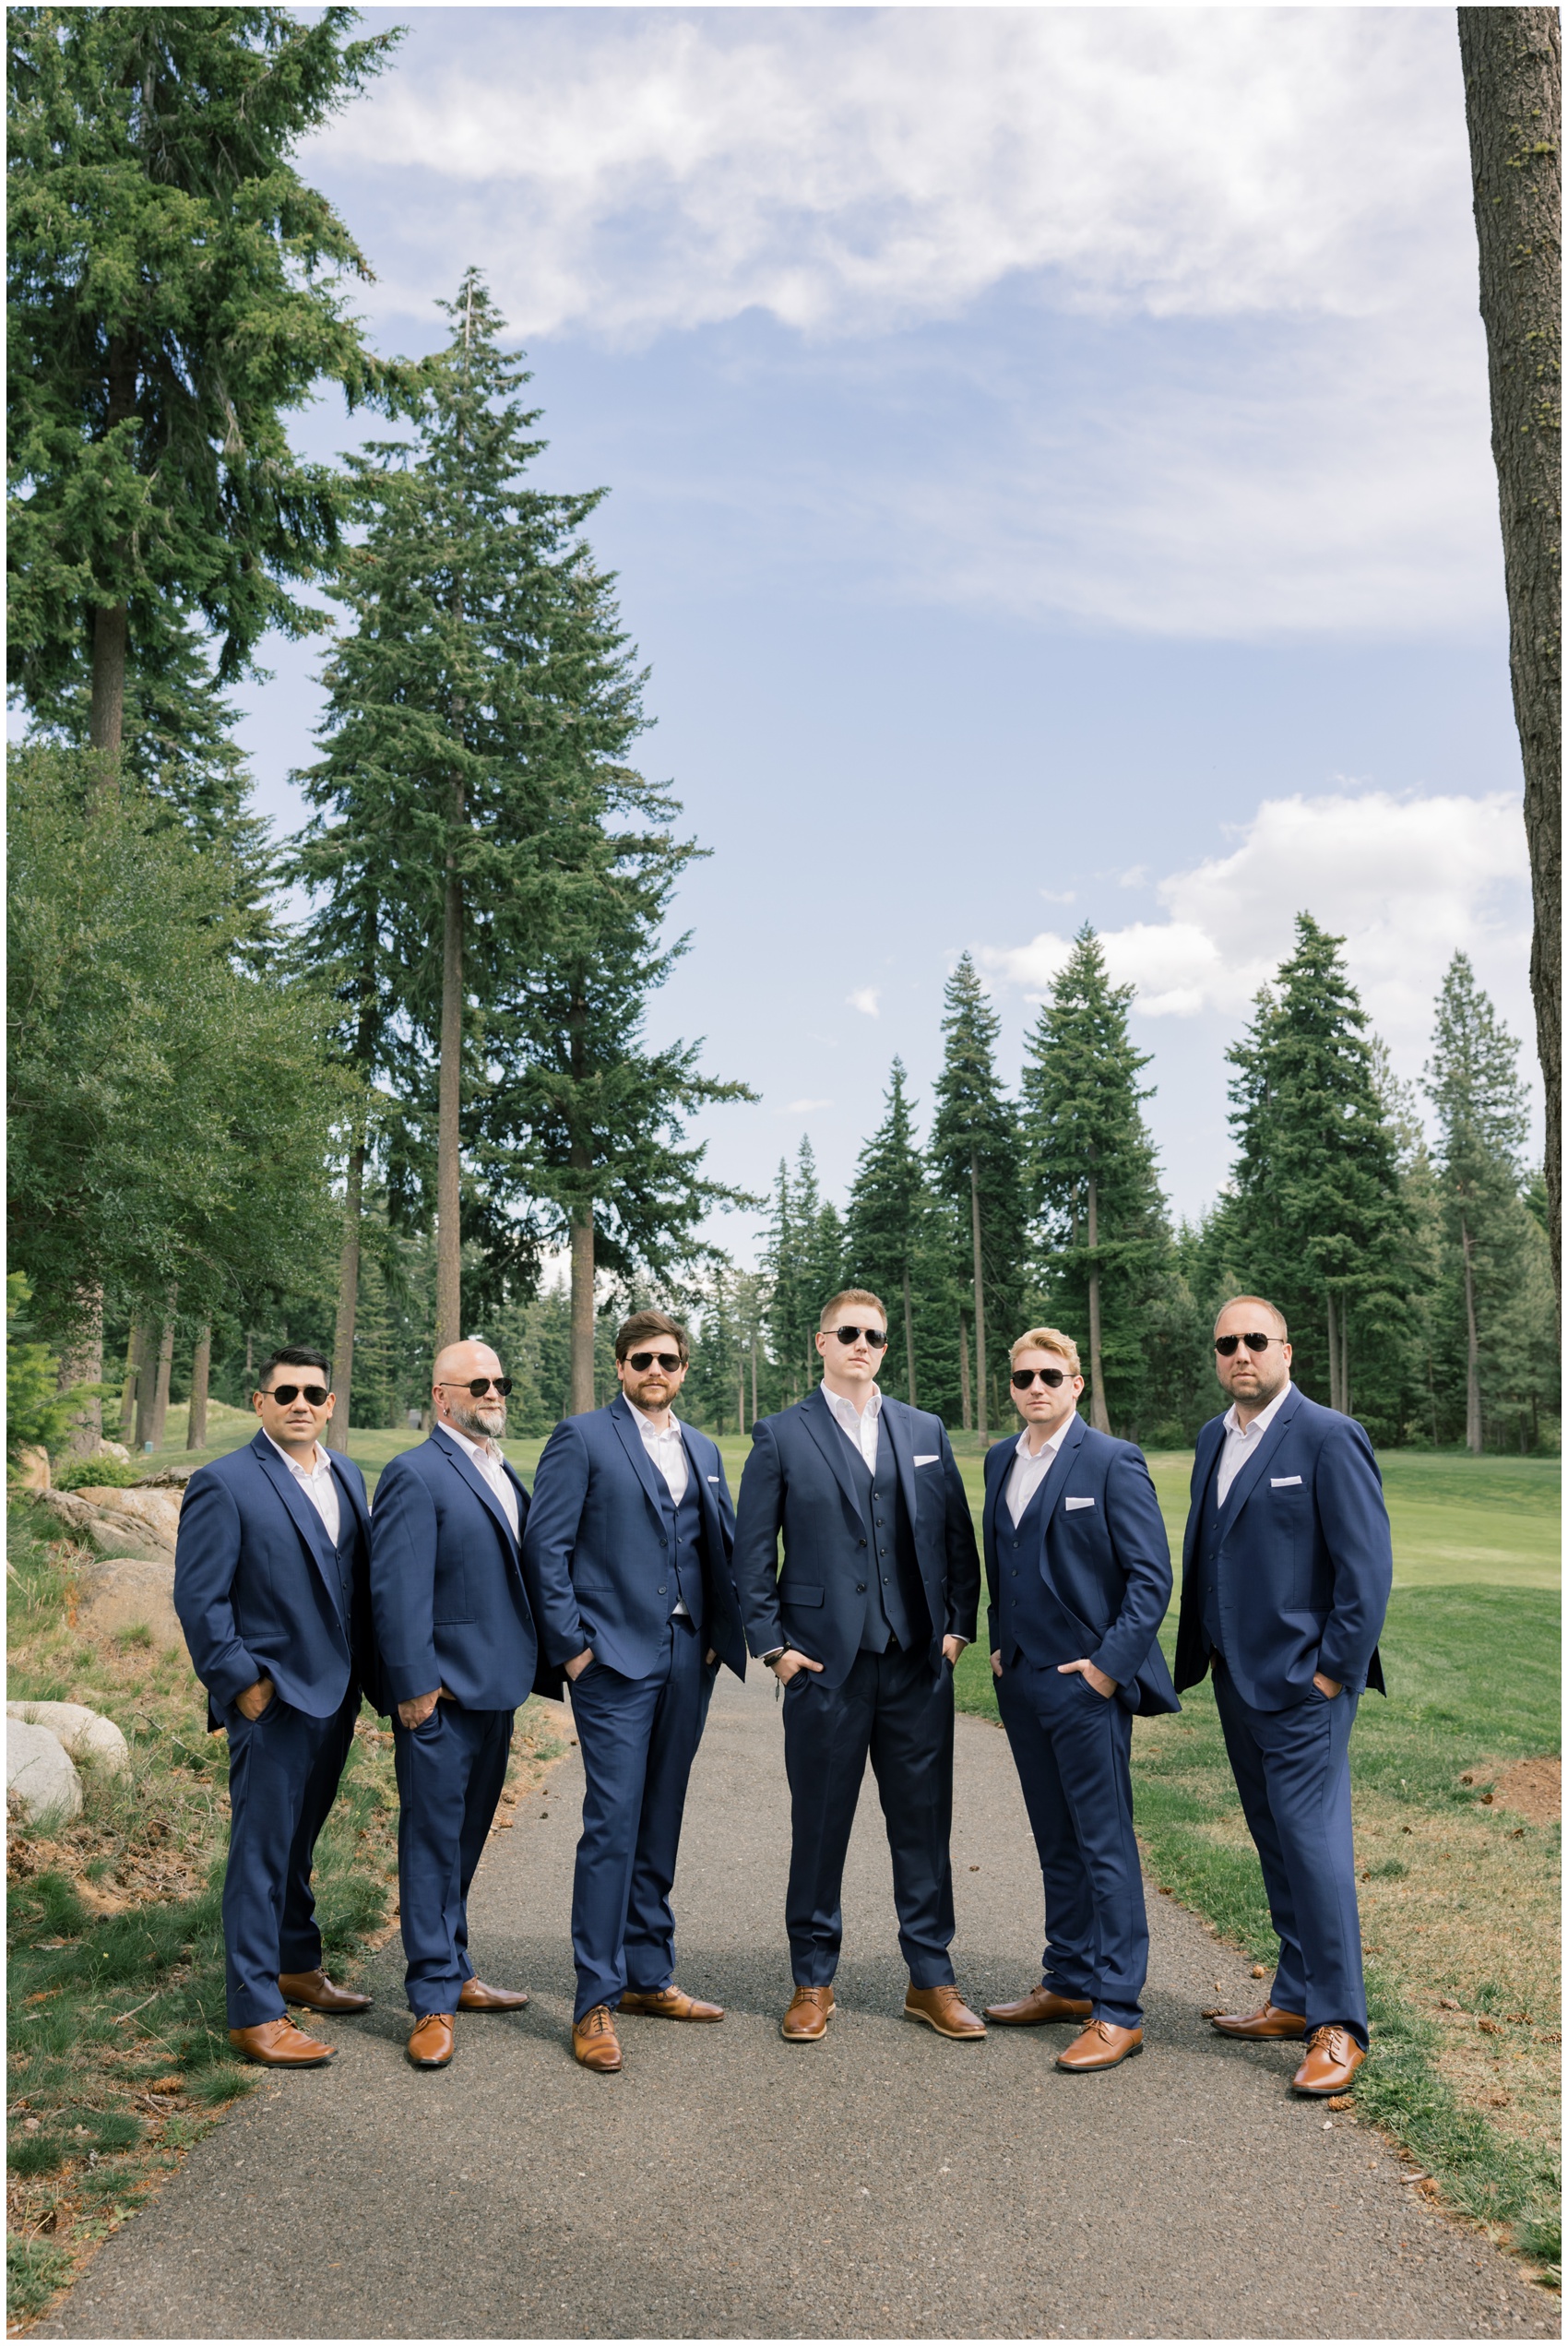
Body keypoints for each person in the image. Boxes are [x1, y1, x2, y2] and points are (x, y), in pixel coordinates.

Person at [733, 1289, 983, 2042]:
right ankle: (812, 1979)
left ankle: (931, 1977)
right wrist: (774, 1650)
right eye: (848, 1332)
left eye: (874, 1335)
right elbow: (750, 1558)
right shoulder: (781, 1434)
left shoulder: (923, 1428)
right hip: (823, 1669)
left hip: (915, 1665)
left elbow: (956, 1540)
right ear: (821, 1341)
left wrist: (957, 1630)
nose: (862, 1344)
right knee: (819, 1827)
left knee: (923, 1824)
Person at [1174, 1294, 1392, 2096]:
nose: (1241, 1353)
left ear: (1287, 1351)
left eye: (1255, 1340)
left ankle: (1339, 2024)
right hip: (1238, 1677)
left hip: (1306, 1685)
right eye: (1227, 1341)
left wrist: (1331, 1670)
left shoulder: (1329, 1437)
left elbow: (1365, 1573)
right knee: (1275, 1840)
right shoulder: (1213, 1438)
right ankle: (1295, 1995)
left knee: (1314, 1843)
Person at [523, 1311, 746, 2074]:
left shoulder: (705, 1447)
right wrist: (574, 1653)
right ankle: (595, 1998)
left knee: (661, 1816)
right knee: (612, 1823)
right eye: (643, 1358)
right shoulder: (582, 1437)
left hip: (689, 1656)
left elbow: (724, 1541)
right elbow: (544, 1549)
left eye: (670, 1359)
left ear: (684, 1369)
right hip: (612, 1661)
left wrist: (719, 1633)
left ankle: (651, 1973)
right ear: (620, 1365)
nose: (658, 1369)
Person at [980, 1328, 1178, 2073]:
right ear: (1012, 1385)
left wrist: (1105, 1669)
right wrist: (1000, 1638)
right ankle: (1068, 1978)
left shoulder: (1112, 1459)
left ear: (1077, 1382)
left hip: (1087, 1683)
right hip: (1024, 1680)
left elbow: (1150, 1579)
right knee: (1055, 1837)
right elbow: (1003, 1557)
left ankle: (1119, 2006)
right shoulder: (1003, 1457)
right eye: (1024, 1376)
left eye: (1051, 1376)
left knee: (1104, 1842)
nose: (1037, 1387)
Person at [174, 1348, 378, 2067]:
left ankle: (297, 1964)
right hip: (273, 1701)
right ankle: (254, 2010)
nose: (300, 1402)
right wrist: (243, 1684)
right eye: (284, 1391)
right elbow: (200, 1599)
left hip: (337, 1696)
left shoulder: (347, 1474)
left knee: (299, 1844)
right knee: (259, 1855)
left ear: (329, 1404)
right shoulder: (224, 1483)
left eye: (313, 1392)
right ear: (259, 1401)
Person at [369, 1338, 559, 2070]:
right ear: (441, 1395)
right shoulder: (415, 1472)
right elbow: (396, 1588)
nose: (493, 1391)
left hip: (496, 1691)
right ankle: (430, 2001)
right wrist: (413, 1685)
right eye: (477, 1382)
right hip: (440, 1697)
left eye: (499, 1380)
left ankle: (456, 1966)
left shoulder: (499, 1467)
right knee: (430, 1843)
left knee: (467, 1838)